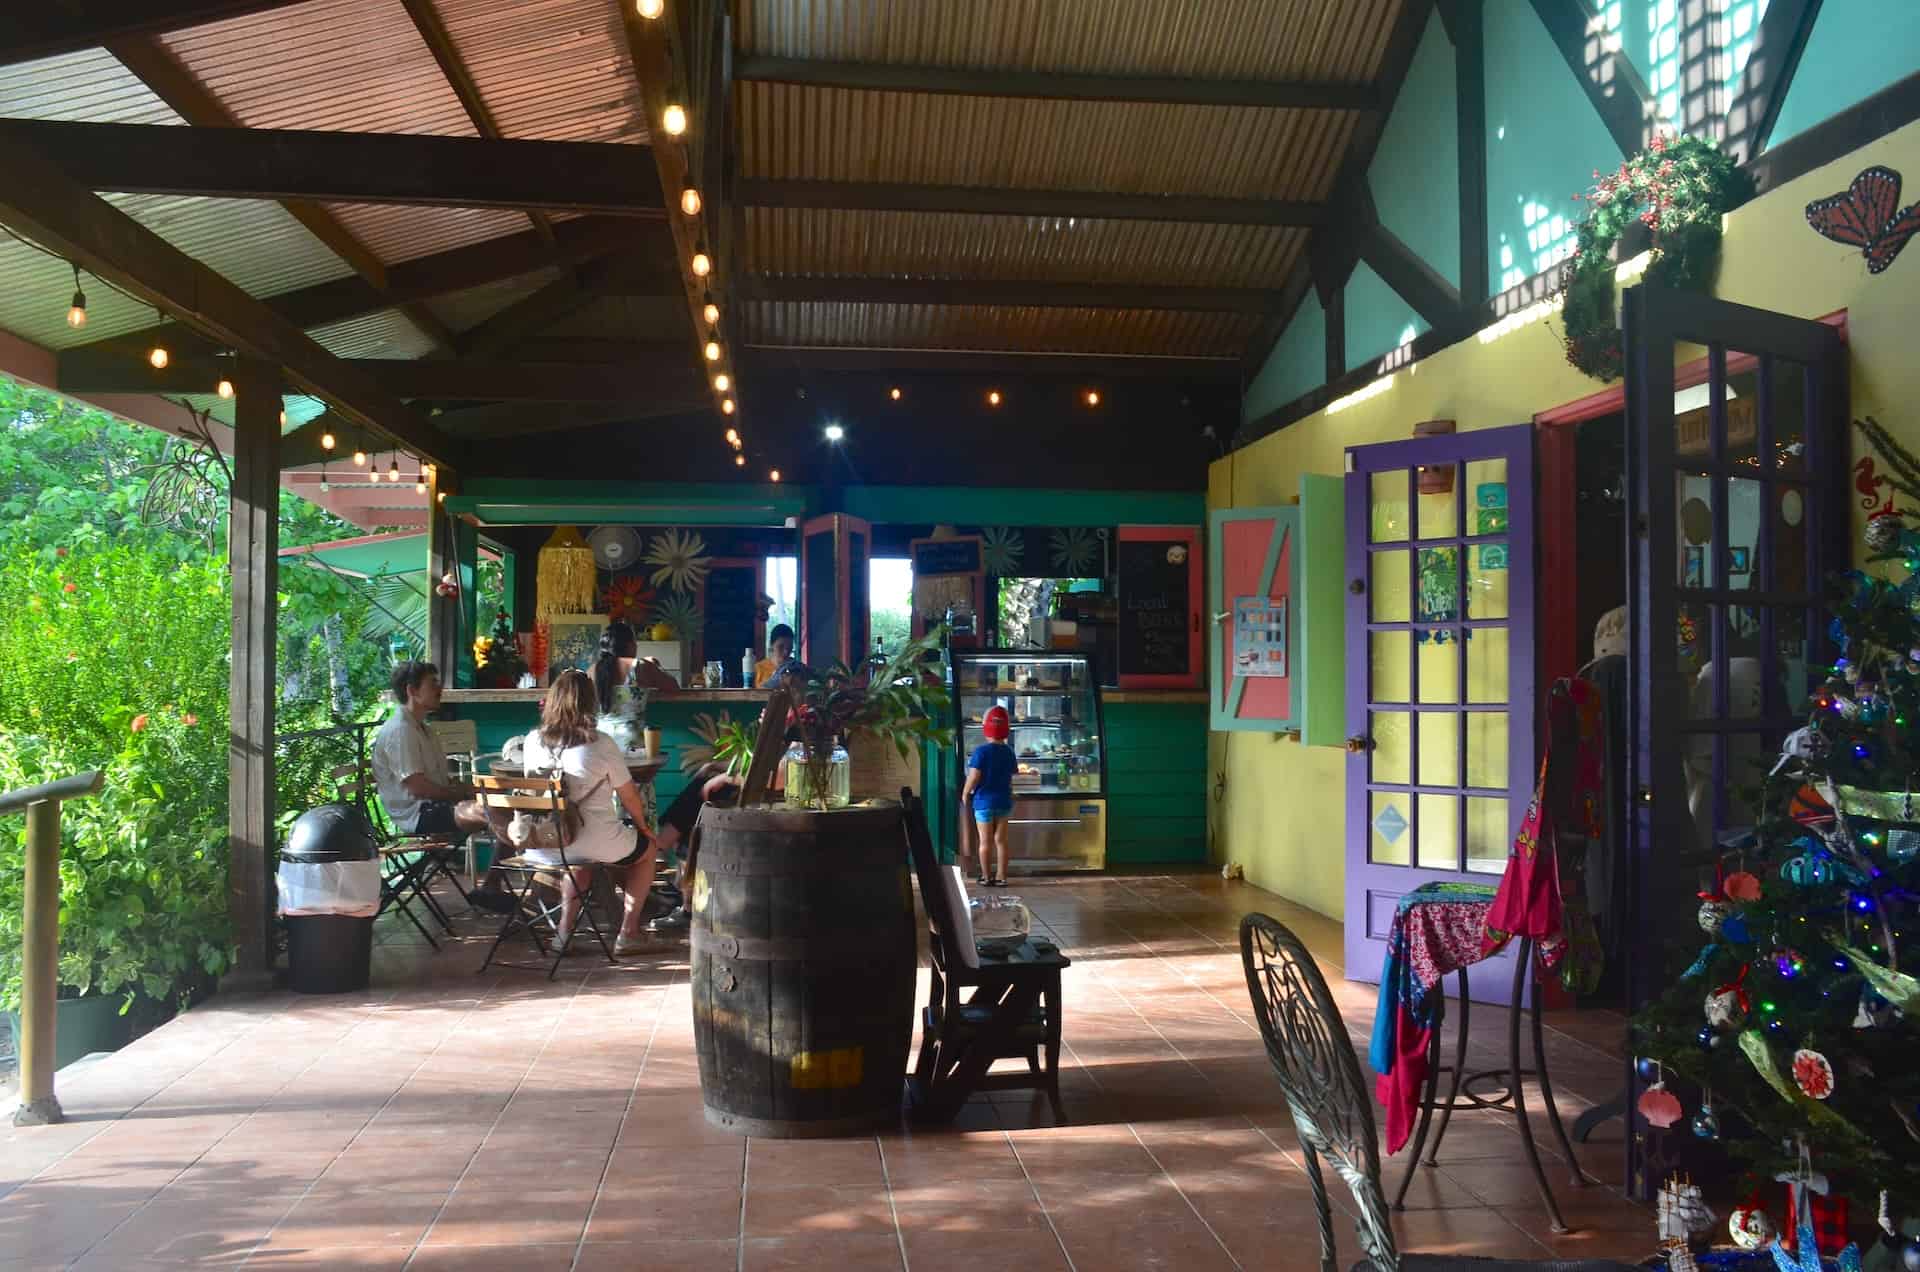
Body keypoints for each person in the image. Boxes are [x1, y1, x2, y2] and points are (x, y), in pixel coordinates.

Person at [519, 670, 662, 954]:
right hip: (593, 839)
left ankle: (563, 934)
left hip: (543, 842)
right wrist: (644, 828)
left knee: (579, 862)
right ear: (590, 704)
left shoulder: (533, 740)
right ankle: (629, 931)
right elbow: (630, 796)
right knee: (647, 852)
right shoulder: (601, 743)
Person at [371, 660, 488, 840]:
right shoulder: (400, 730)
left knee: (500, 806)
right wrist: (458, 794)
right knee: (490, 812)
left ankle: (499, 868)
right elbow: (419, 789)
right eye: (432, 683)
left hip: (434, 805)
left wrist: (465, 790)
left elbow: (436, 779)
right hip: (418, 814)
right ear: (412, 691)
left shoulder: (423, 728)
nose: (439, 688)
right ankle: (501, 867)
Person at [641, 761, 744, 934]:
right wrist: (723, 766)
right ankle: (684, 900)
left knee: (700, 791)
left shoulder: (795, 739)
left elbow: (777, 773)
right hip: (753, 784)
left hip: (758, 792)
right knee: (702, 782)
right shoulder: (784, 738)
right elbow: (761, 765)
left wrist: (728, 776)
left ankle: (659, 845)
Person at [963, 704, 1016, 887]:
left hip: (983, 802)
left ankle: (986, 877)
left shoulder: (981, 751)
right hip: (1003, 801)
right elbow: (1010, 778)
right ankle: (1002, 877)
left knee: (985, 842)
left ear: (986, 727)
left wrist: (965, 793)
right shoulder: (1009, 752)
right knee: (1001, 841)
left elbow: (974, 777)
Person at [752, 623, 796, 688]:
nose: (786, 652)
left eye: (789, 648)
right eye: (780, 647)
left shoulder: (796, 669)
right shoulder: (757, 670)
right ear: (771, 645)